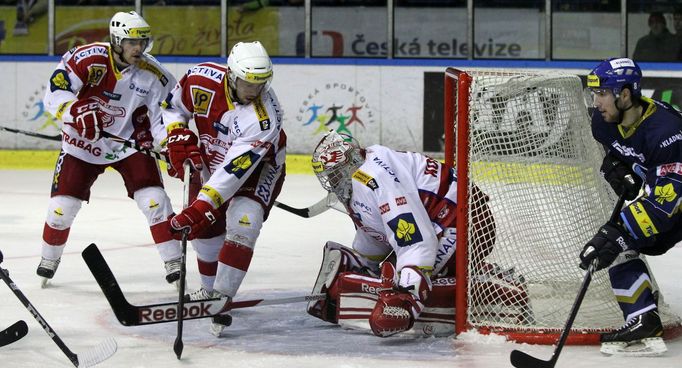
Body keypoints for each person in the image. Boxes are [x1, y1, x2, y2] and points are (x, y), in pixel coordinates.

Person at [306, 131, 529, 337]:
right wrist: (363, 262)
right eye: (328, 176)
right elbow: (377, 231)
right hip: (447, 220)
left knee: (404, 278)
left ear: (352, 163)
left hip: (467, 221)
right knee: (393, 274)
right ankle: (473, 277)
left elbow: (414, 240)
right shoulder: (361, 177)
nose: (332, 181)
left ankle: (497, 292)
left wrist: (405, 296)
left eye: (335, 174)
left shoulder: (375, 179)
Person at [39, 11, 182, 287]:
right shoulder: (88, 58)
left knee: (154, 200)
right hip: (82, 144)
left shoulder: (155, 75)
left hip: (126, 145)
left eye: (142, 42)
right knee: (60, 209)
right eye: (131, 42)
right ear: (116, 40)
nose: (138, 48)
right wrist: (75, 111)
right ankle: (49, 258)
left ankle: (174, 261)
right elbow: (56, 90)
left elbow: (165, 116)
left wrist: (169, 144)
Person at [162, 41, 286, 336]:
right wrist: (176, 135)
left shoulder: (264, 116)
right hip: (212, 161)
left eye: (261, 83)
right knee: (204, 232)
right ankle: (208, 293)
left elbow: (232, 174)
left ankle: (221, 299)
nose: (254, 90)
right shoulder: (199, 79)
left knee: (245, 222)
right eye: (247, 83)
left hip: (259, 169)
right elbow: (171, 107)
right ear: (231, 74)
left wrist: (199, 207)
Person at [582, 57, 682, 356]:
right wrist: (616, 164)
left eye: (602, 93)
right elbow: (615, 149)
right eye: (594, 93)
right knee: (616, 244)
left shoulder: (667, 133)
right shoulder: (604, 121)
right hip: (670, 197)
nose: (596, 102)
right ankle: (642, 317)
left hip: (674, 199)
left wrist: (618, 231)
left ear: (625, 94)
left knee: (615, 238)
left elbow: (664, 205)